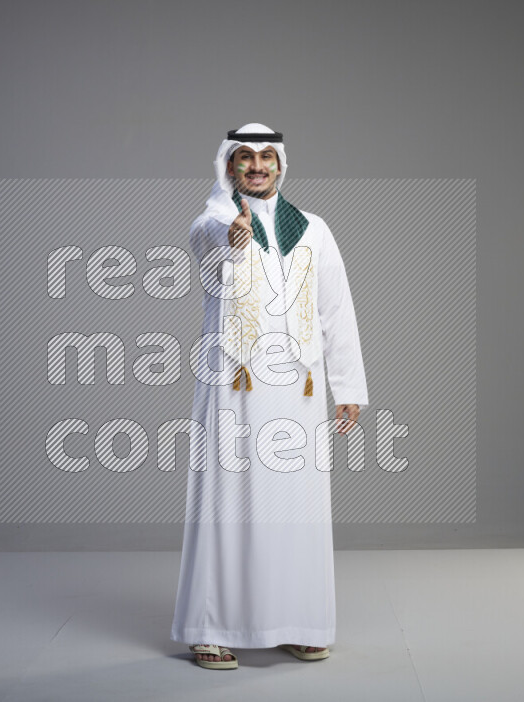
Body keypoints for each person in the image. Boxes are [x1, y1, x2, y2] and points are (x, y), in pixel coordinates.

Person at [171, 123, 369, 670]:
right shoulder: (211, 222)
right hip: (235, 384)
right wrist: (234, 239)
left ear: (280, 165)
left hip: (298, 387)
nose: (256, 166)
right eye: (244, 157)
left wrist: (347, 385)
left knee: (297, 505)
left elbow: (335, 307)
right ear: (228, 166)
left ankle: (297, 621)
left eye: (266, 157)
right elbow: (213, 255)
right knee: (227, 502)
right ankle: (210, 629)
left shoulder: (313, 229)